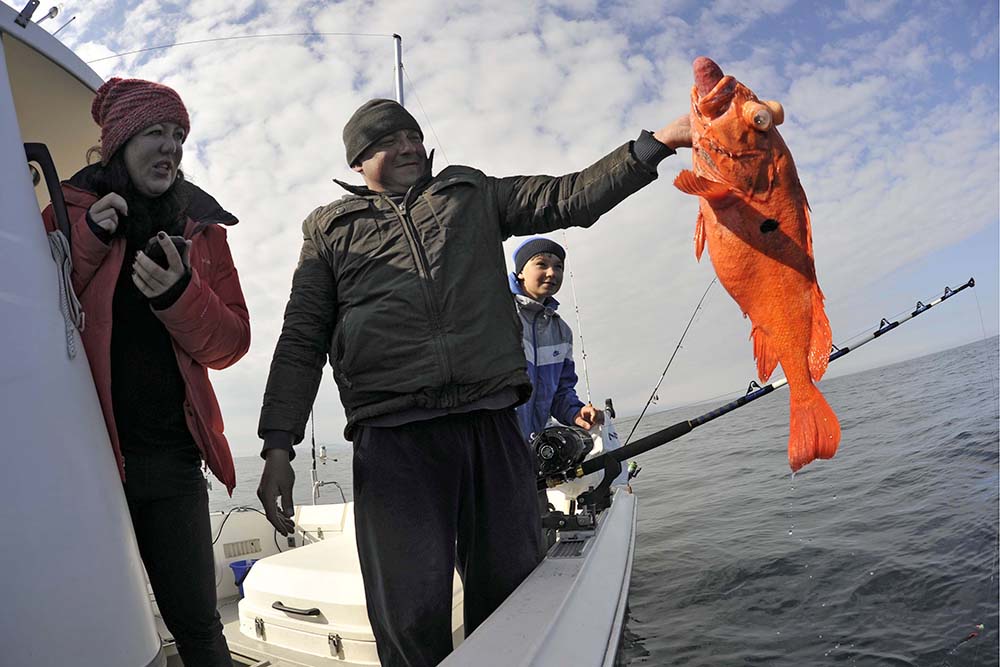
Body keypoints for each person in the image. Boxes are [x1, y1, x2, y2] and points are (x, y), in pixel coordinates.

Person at [257, 97, 690, 667]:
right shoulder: (328, 231)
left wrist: (660, 142)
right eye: (392, 141)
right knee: (410, 618)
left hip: (491, 428)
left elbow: (570, 195)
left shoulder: (473, 194)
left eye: (415, 136)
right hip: (394, 442)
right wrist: (278, 444)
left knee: (514, 594)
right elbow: (300, 341)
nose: (411, 146)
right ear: (359, 161)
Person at [41, 77, 250, 666]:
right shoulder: (62, 211)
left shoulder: (201, 228)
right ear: (119, 139)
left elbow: (231, 343)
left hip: (174, 464)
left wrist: (182, 293)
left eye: (179, 136)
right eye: (155, 132)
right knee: (97, 628)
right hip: (87, 466)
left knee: (201, 629)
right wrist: (86, 242)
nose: (171, 147)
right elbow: (28, 313)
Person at [508, 236, 602, 444]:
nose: (552, 273)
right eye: (541, 264)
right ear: (521, 271)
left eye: (558, 266)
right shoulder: (497, 310)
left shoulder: (561, 331)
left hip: (531, 448)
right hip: (489, 441)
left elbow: (561, 392)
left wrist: (576, 413)